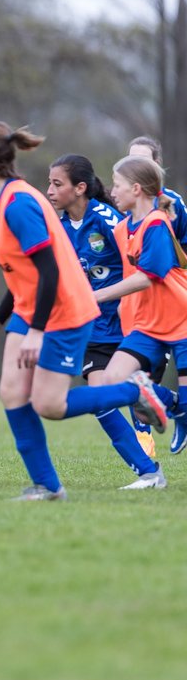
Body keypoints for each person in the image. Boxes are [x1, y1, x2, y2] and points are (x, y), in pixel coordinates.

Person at [0, 118, 166, 501]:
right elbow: (21, 272)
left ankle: (133, 395)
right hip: (32, 310)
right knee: (12, 393)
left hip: (63, 313)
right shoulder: (3, 204)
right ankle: (47, 486)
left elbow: (49, 269)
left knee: (50, 405)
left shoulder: (20, 203)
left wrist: (38, 331)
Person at [44, 154, 163, 485]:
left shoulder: (109, 221)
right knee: (100, 400)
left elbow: (142, 271)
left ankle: (164, 407)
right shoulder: (62, 227)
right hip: (91, 328)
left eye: (57, 184)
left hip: (128, 324)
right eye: (49, 183)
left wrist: (102, 297)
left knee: (134, 399)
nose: (49, 191)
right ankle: (149, 472)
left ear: (80, 188)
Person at [80, 154, 187, 462]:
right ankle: (175, 406)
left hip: (180, 321)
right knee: (113, 380)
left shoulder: (157, 224)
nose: (112, 192)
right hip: (148, 326)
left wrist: (95, 297)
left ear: (136, 189)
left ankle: (179, 409)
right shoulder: (121, 228)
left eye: (117, 185)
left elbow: (145, 279)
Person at [127, 135, 187, 452]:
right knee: (133, 375)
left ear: (158, 166)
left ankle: (181, 412)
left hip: (174, 305)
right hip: (140, 308)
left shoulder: (173, 205)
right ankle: (143, 442)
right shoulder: (122, 203)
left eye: (144, 161)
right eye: (131, 160)